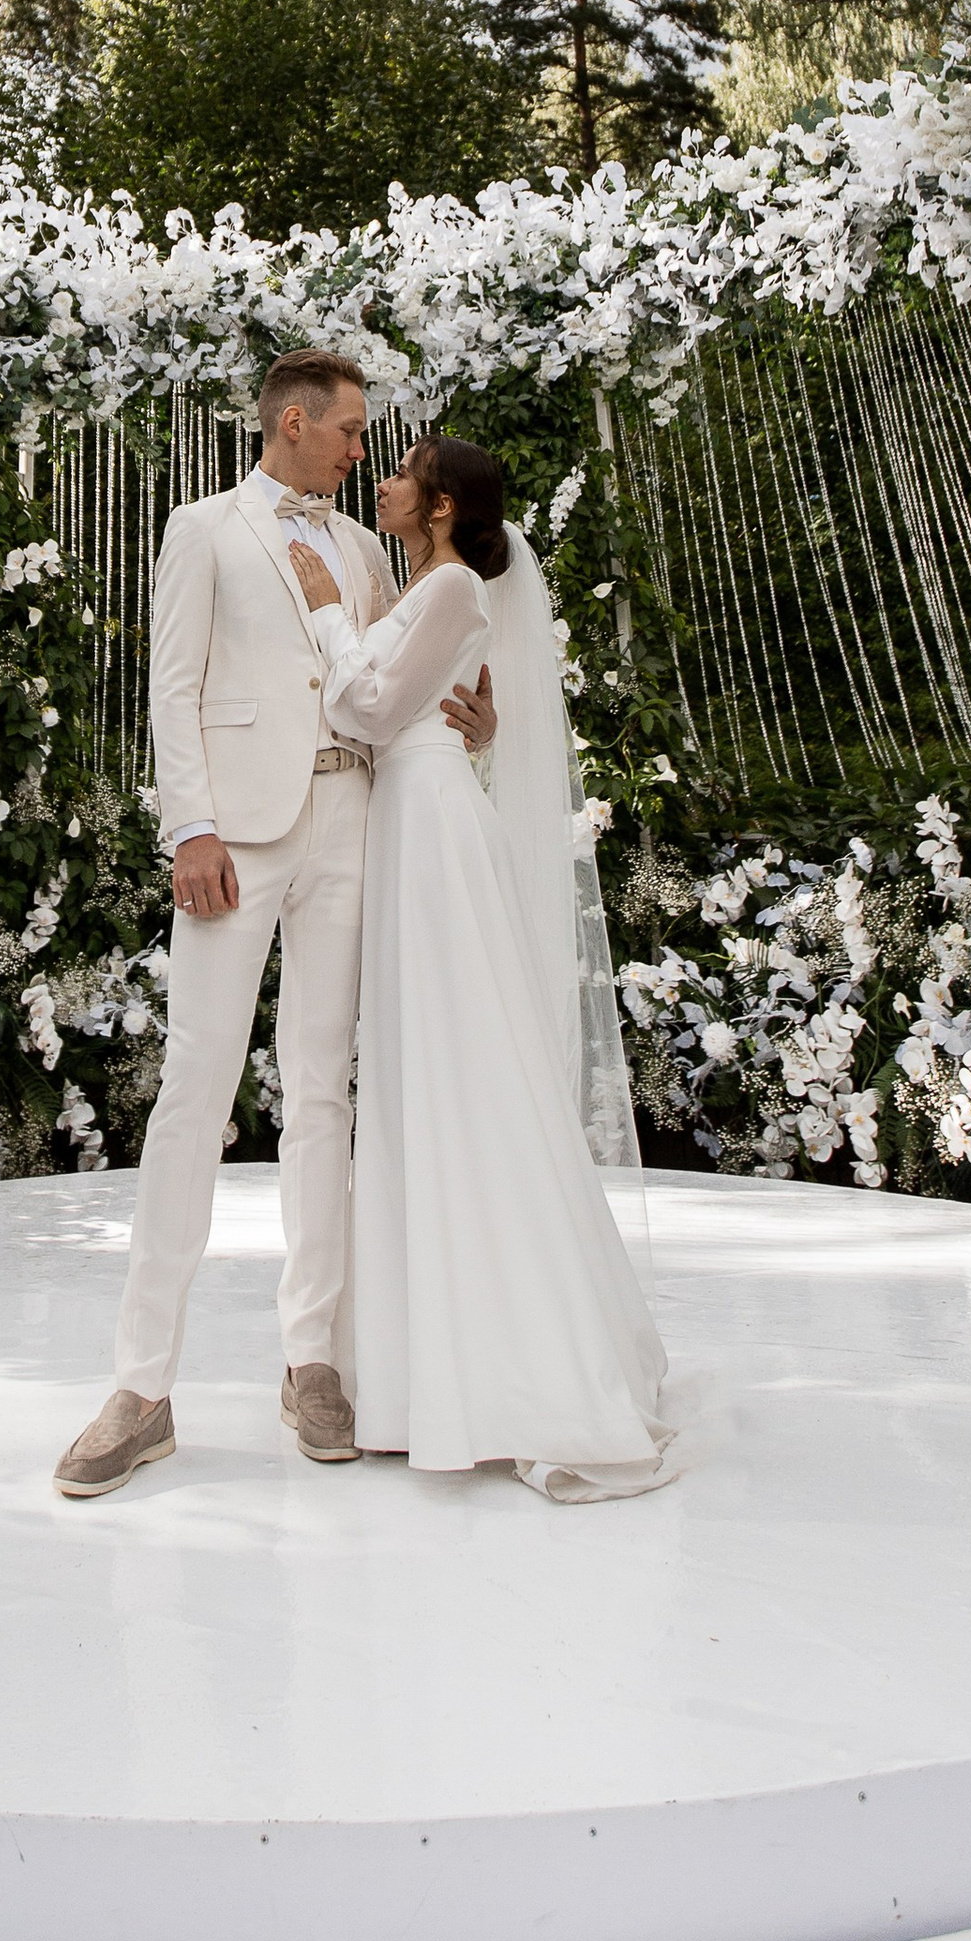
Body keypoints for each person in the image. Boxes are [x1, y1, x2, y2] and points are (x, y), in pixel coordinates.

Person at [53, 353, 492, 1499]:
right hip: (236, 841)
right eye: (348, 431)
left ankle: (313, 1361)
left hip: (353, 821)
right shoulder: (201, 528)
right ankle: (140, 1388)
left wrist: (475, 721)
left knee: (320, 1094)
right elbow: (174, 685)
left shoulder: (363, 552)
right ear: (290, 424)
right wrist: (189, 826)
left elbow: (399, 685)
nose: (360, 451)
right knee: (195, 1088)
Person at [304, 436, 675, 1501]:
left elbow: (370, 709)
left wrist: (329, 612)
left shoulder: (455, 584)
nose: (380, 478)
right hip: (404, 816)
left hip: (427, 825)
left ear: (442, 501)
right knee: (421, 1067)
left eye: (401, 468)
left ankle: (511, 1363)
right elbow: (400, 698)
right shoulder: (427, 583)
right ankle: (427, 1371)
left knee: (457, 1061)